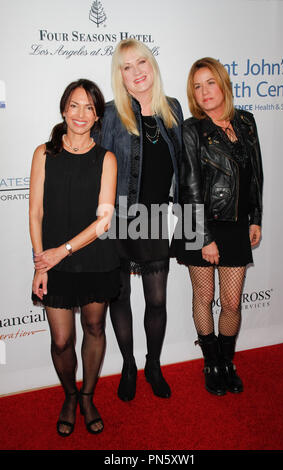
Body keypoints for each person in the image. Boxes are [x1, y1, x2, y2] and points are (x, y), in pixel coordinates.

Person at [29, 79, 119, 436]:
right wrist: (41, 262)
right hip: (52, 263)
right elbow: (35, 212)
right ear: (64, 109)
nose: (81, 114)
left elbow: (104, 221)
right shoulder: (44, 153)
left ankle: (87, 396)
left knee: (95, 327)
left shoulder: (106, 158)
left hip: (95, 258)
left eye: (90, 107)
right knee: (61, 341)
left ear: (97, 115)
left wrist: (60, 251)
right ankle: (69, 395)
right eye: (75, 105)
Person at [100, 39, 183, 401]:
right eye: (126, 67)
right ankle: (129, 365)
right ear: (120, 75)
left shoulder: (173, 108)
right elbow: (91, 162)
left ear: (152, 65)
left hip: (154, 219)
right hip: (117, 218)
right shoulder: (109, 113)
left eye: (141, 62)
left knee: (158, 301)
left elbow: (185, 167)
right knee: (119, 298)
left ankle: (153, 364)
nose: (136, 72)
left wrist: (191, 222)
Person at [175, 57, 263, 395]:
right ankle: (211, 364)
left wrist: (256, 218)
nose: (204, 91)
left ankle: (227, 361)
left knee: (231, 302)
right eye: (197, 86)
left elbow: (256, 174)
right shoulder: (191, 129)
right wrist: (204, 237)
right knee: (204, 295)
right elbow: (190, 186)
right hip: (201, 225)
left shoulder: (246, 122)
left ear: (223, 83)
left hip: (237, 224)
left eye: (210, 82)